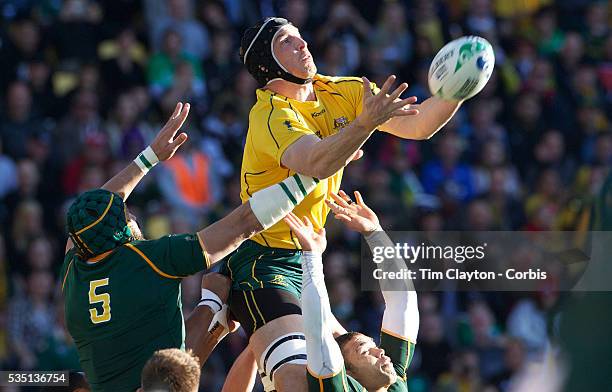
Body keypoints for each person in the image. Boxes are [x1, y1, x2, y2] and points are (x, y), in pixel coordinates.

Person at [226, 16, 462, 391]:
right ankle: (219, 299)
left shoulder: (344, 90)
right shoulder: (271, 114)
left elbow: (419, 126)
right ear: (267, 64)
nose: (303, 44)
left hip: (297, 254)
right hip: (264, 256)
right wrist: (364, 125)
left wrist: (457, 91)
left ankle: (218, 304)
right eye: (288, 41)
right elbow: (317, 161)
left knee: (309, 370)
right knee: (297, 378)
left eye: (301, 37)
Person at [61, 102, 320, 391]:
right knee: (216, 292)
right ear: (118, 234)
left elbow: (92, 215)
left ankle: (213, 310)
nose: (132, 214)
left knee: (212, 301)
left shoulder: (75, 264)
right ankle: (213, 309)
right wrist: (318, 169)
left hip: (132, 381)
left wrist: (151, 157)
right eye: (126, 216)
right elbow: (243, 223)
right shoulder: (147, 259)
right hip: (159, 386)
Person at [285, 189, 419, 391]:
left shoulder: (392, 378)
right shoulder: (339, 386)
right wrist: (310, 257)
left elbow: (403, 298)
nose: (380, 352)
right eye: (364, 351)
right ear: (347, 374)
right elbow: (319, 335)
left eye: (371, 347)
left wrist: (374, 233)